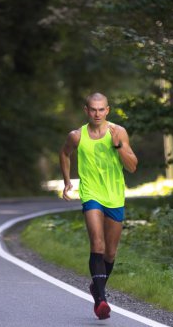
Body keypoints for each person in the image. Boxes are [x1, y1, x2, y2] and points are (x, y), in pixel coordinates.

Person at [59, 92, 138, 320]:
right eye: (93, 109)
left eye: (101, 109)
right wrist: (67, 182)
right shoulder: (77, 136)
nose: (97, 114)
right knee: (98, 243)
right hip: (91, 193)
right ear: (86, 110)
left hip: (114, 195)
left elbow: (132, 166)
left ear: (108, 110)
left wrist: (119, 146)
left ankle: (96, 287)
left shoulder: (118, 132)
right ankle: (101, 301)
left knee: (111, 253)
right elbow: (64, 154)